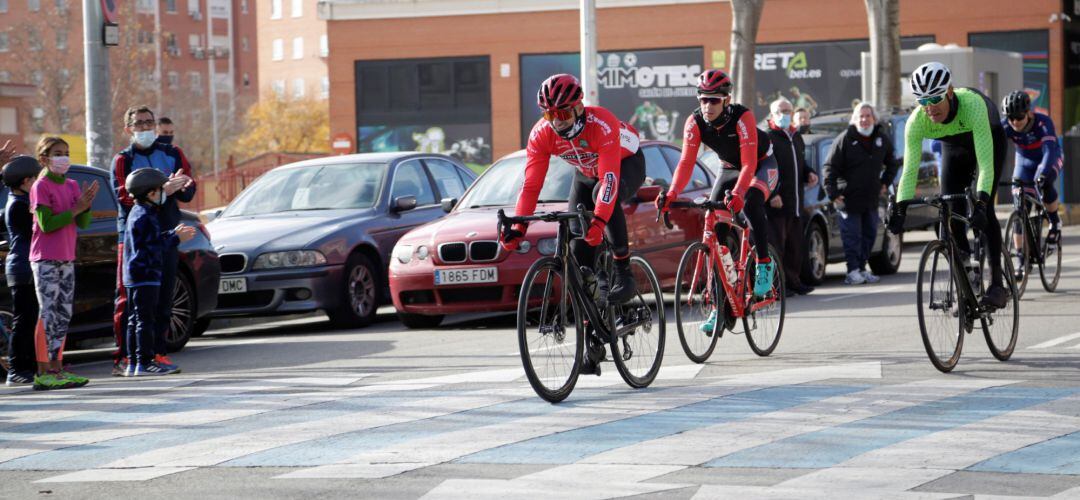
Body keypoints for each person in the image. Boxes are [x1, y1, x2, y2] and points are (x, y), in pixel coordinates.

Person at [501, 74, 645, 375]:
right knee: (579, 261)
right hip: (585, 173)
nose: (557, 121)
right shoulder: (542, 134)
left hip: (624, 163)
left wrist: (600, 221)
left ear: (579, 107)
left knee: (600, 199)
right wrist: (518, 229)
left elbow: (608, 181)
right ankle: (592, 342)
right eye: (549, 114)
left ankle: (623, 271)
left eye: (563, 113)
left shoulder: (601, 122)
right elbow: (530, 187)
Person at [657, 69, 779, 334]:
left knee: (753, 200)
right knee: (715, 234)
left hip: (759, 165)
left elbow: (748, 165)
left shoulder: (741, 116)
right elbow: (686, 163)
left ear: (726, 99)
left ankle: (763, 267)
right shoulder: (694, 122)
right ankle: (720, 308)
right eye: (703, 99)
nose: (707, 105)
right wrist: (671, 194)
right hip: (728, 168)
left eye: (714, 100)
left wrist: (738, 194)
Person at [889, 62, 1009, 308]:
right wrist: (900, 209)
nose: (929, 108)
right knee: (950, 212)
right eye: (922, 101)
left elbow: (986, 165)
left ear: (950, 92)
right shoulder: (917, 122)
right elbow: (910, 170)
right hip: (953, 146)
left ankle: (997, 284)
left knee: (984, 211)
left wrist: (981, 202)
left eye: (935, 99)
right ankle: (966, 266)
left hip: (988, 136)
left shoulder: (972, 106)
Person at [110, 105, 196, 376]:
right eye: (139, 124)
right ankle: (126, 357)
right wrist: (162, 190)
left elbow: (188, 190)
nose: (146, 128)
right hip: (135, 237)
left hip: (168, 234)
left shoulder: (172, 153)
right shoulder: (123, 159)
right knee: (130, 301)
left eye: (149, 123)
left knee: (163, 297)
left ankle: (157, 353)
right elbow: (123, 197)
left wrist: (182, 185)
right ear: (128, 129)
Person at [30, 136, 99, 390]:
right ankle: (42, 370)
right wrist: (75, 209)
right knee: (47, 313)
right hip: (45, 258)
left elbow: (82, 223)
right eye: (57, 153)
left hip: (67, 257)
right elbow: (47, 224)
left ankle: (57, 368)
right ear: (44, 158)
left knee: (63, 314)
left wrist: (85, 207)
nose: (63, 157)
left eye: (66, 152)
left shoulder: (71, 184)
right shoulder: (41, 185)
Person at [122, 169, 196, 376]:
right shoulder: (145, 215)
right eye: (161, 190)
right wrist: (175, 238)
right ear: (151, 193)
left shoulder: (139, 213)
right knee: (145, 320)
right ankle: (145, 362)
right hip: (146, 275)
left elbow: (148, 240)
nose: (164, 194)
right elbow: (152, 246)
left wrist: (172, 234)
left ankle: (134, 362)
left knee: (135, 319)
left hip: (135, 275)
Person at [824, 102, 900, 285]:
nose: (864, 120)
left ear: (874, 118)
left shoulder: (881, 138)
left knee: (870, 234)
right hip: (848, 199)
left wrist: (885, 182)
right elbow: (829, 168)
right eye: (861, 116)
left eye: (868, 116)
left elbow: (893, 162)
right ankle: (852, 271)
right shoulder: (844, 139)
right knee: (852, 236)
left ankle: (861, 268)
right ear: (855, 119)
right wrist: (833, 193)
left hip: (871, 198)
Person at [1000, 90, 1064, 276]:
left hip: (1049, 158)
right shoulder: (1007, 125)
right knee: (1020, 207)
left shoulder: (1043, 123)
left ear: (1028, 112)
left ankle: (1054, 221)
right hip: (1024, 162)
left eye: (1019, 117)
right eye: (1011, 118)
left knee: (1044, 183)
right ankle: (1021, 258)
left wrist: (1043, 174)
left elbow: (1049, 151)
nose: (1015, 122)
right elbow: (992, 148)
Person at [765, 97, 818, 295]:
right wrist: (772, 194)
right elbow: (763, 169)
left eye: (788, 111)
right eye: (780, 111)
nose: (784, 115)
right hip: (776, 204)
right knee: (776, 245)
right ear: (772, 114)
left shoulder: (796, 137)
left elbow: (800, 164)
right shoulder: (767, 138)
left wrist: (809, 173)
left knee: (795, 245)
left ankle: (793, 281)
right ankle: (776, 286)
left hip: (796, 202)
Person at [3, 156, 41, 385]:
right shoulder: (18, 205)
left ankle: (29, 365)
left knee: (30, 319)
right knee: (24, 320)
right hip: (22, 267)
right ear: (26, 181)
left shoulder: (20, 200)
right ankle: (16, 368)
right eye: (36, 178)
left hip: (26, 266)